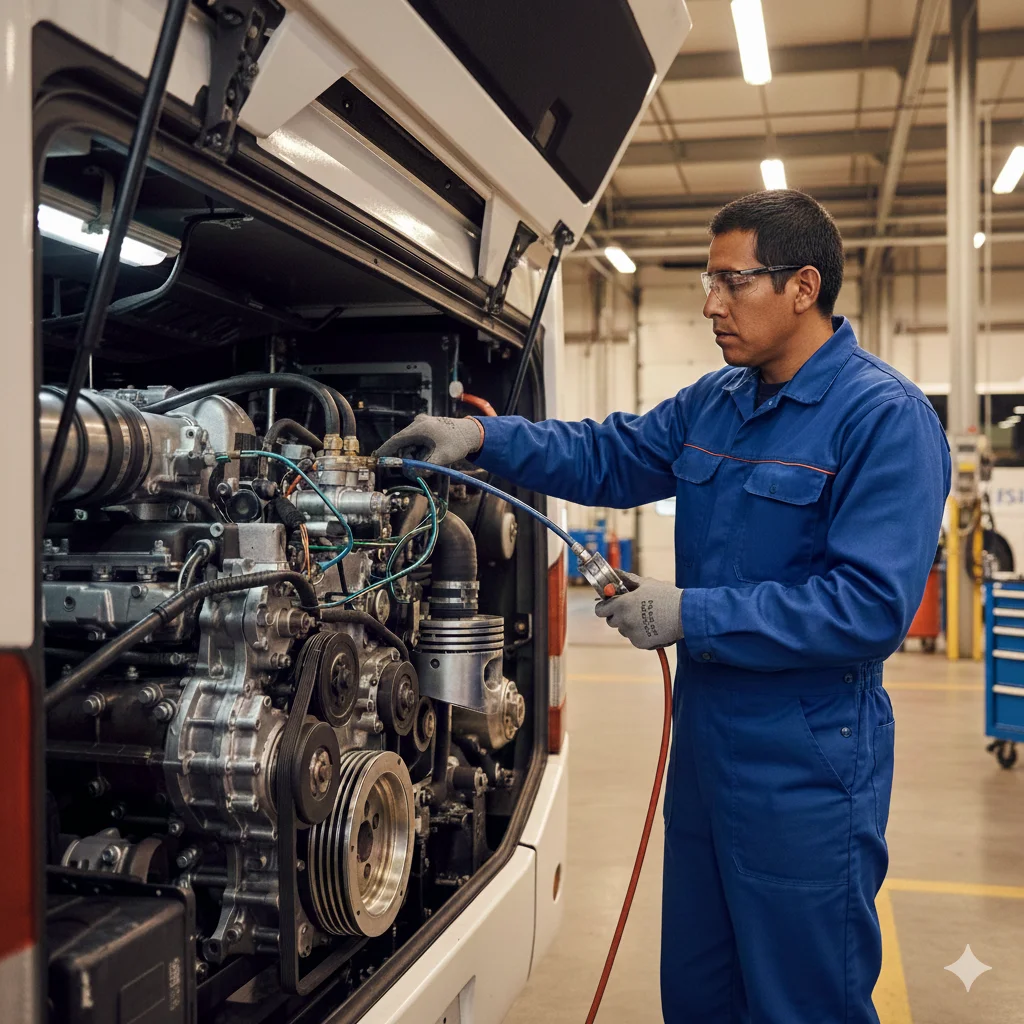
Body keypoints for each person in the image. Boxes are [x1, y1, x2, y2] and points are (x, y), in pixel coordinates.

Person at [378, 189, 951, 1023]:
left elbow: (868, 607)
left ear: (803, 286)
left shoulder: (882, 418)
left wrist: (693, 614)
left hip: (808, 771)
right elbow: (609, 453)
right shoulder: (717, 401)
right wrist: (487, 439)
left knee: (803, 1002)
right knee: (698, 994)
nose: (711, 304)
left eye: (733, 281)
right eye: (707, 281)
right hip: (707, 759)